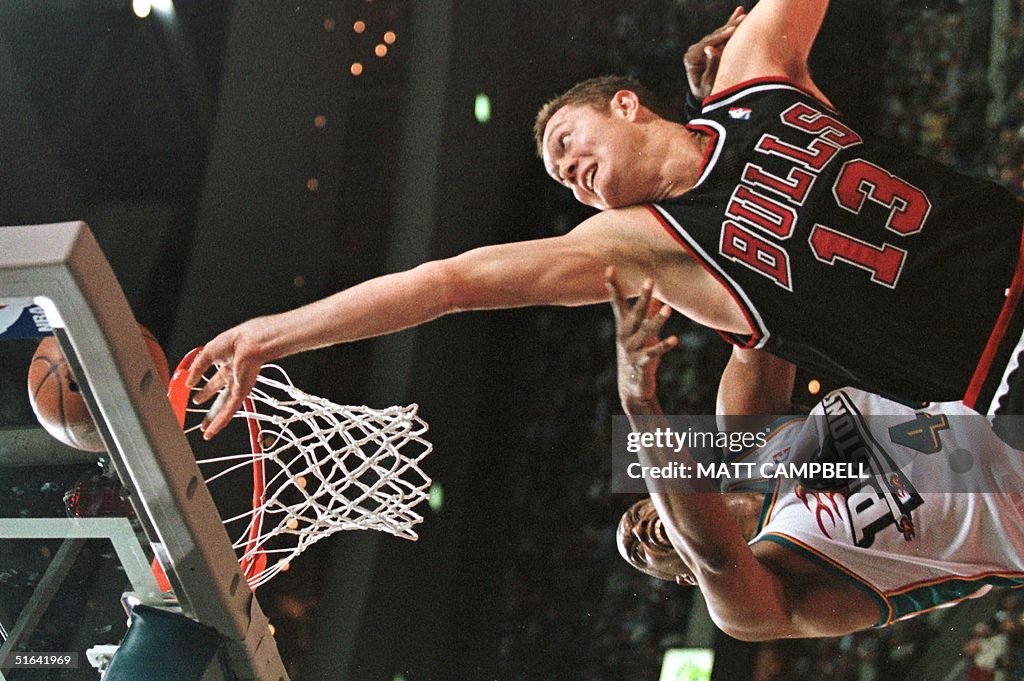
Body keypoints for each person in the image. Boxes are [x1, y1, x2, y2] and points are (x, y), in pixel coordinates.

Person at [188, 1, 1024, 439]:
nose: (569, 174)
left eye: (566, 143)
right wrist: (272, 334)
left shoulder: (750, 74)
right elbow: (446, 283)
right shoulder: (643, 244)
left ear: (626, 103)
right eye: (562, 180)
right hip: (1000, 372)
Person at [607, 268, 1024, 640]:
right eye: (637, 553)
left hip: (994, 397)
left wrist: (668, 266)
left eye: (636, 514)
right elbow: (713, 555)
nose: (638, 531)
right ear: (685, 578)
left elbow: (764, 307)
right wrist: (639, 405)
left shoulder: (746, 431)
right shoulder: (757, 599)